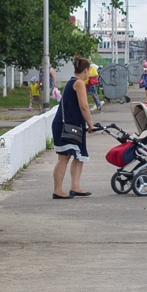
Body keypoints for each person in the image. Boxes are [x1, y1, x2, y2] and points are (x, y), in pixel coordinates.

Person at [52, 56, 97, 199]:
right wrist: (91, 124)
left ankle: (75, 187)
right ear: (86, 70)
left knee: (79, 156)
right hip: (67, 125)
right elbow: (84, 106)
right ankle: (57, 190)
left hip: (72, 124)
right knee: (64, 158)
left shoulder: (72, 82)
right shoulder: (79, 83)